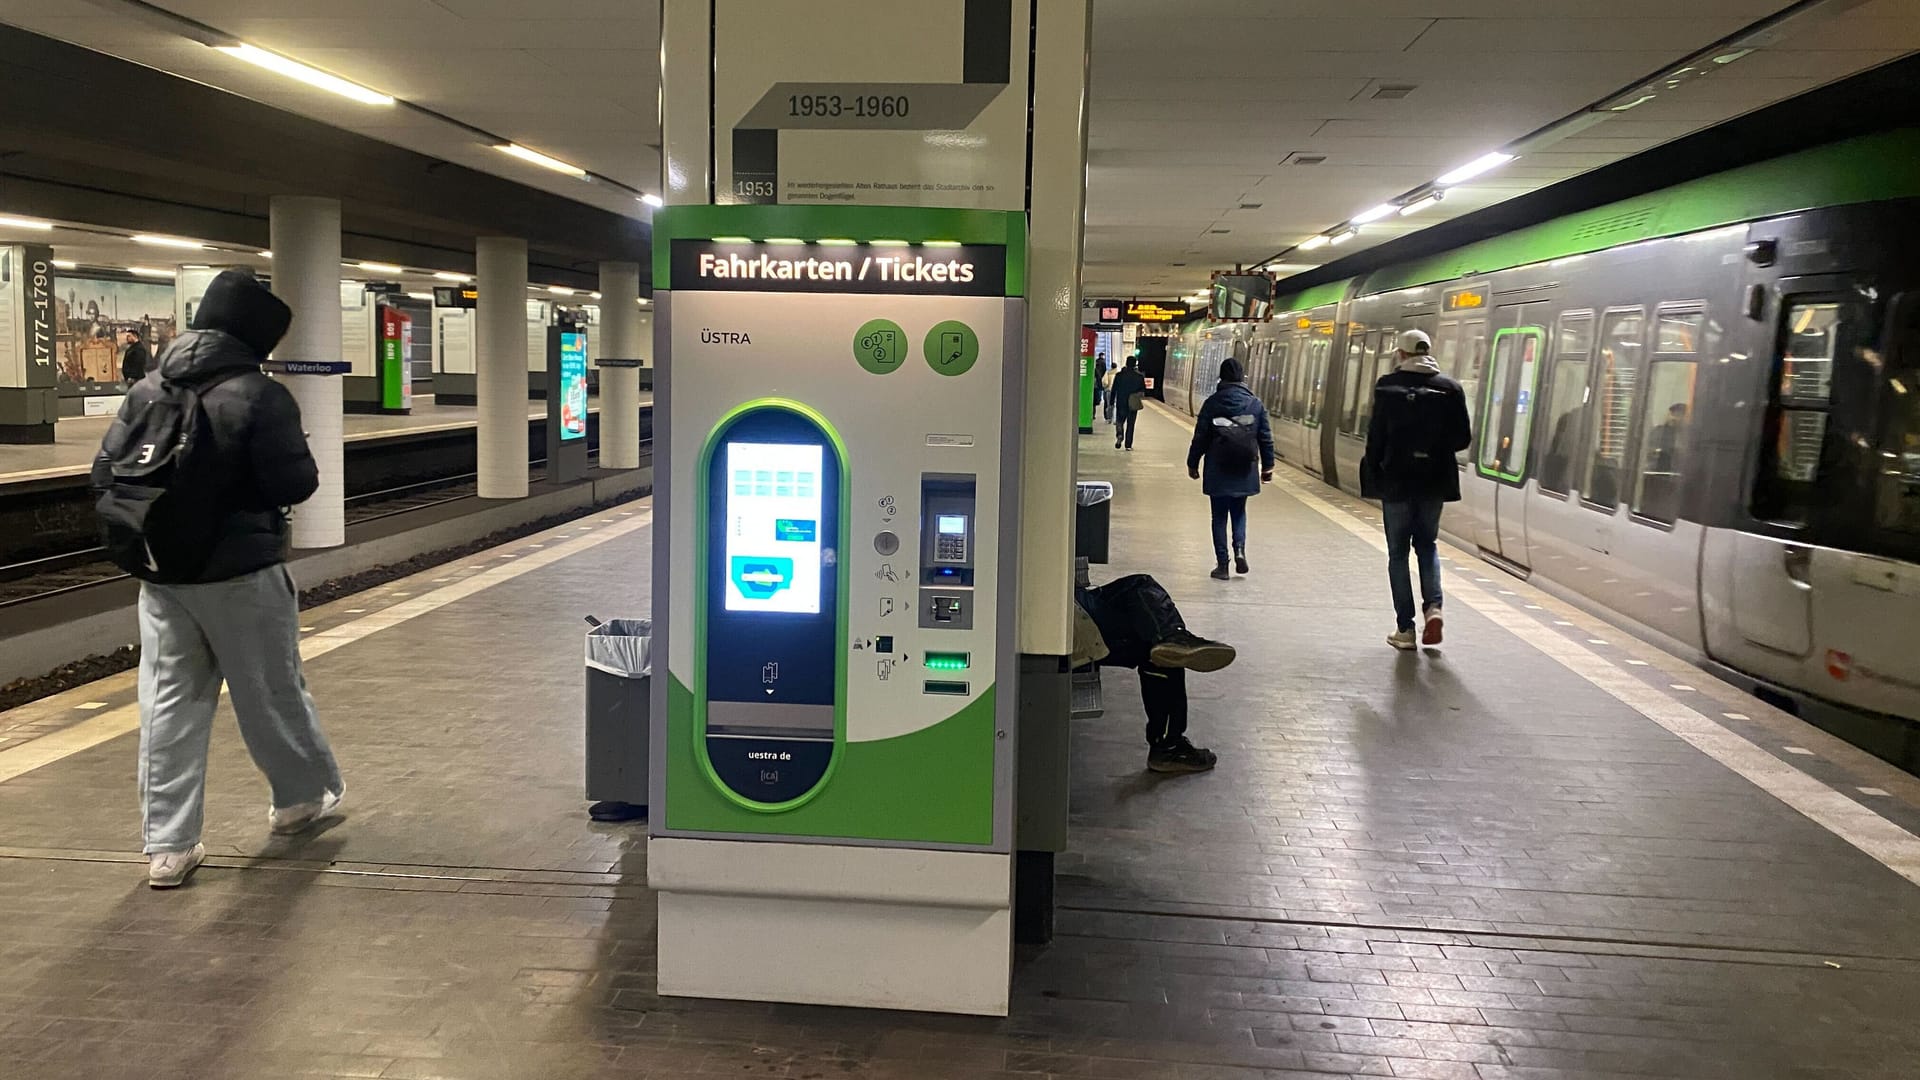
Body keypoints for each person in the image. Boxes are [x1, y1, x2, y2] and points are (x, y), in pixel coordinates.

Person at [91, 269, 343, 889]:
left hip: (162, 574)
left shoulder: (148, 387)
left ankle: (168, 848)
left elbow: (105, 471)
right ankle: (298, 802)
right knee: (269, 692)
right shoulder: (260, 395)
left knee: (168, 699)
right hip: (240, 574)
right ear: (257, 337)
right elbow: (296, 484)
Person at [1360, 328, 1472, 652]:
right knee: (1427, 544)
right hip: (1435, 481)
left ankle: (1405, 629)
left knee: (1398, 552)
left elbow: (1375, 437)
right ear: (1428, 352)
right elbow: (1462, 439)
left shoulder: (1387, 387)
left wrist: (1376, 471)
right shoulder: (1451, 389)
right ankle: (1433, 607)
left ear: (1401, 354)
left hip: (1396, 480)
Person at [1074, 572, 1233, 774]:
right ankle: (1173, 637)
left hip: (1073, 602)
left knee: (1155, 637)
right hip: (1070, 609)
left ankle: (1171, 638)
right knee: (1152, 637)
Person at [1187, 357, 1274, 580]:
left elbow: (1201, 437)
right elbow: (1265, 437)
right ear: (1242, 377)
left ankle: (1222, 565)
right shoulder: (1255, 404)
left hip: (1218, 467)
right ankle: (1240, 551)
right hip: (1244, 468)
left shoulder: (1212, 403)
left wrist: (1193, 463)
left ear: (1221, 377)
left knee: (1218, 516)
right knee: (1238, 512)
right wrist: (1268, 467)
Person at [1110, 356, 1146, 450]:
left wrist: (1111, 402)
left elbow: (1114, 390)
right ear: (1135, 364)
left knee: (1119, 421)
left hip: (1121, 402)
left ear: (1126, 363)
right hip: (1132, 404)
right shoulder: (1139, 376)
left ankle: (1119, 435)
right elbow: (1143, 390)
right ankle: (1128, 445)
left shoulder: (1119, 375)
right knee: (1131, 424)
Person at [1092, 351, 1109, 422]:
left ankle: (1093, 414)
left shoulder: (1096, 362)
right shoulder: (1103, 362)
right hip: (1099, 382)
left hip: (1096, 383)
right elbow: (1105, 371)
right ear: (1102, 356)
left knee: (1093, 402)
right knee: (1097, 398)